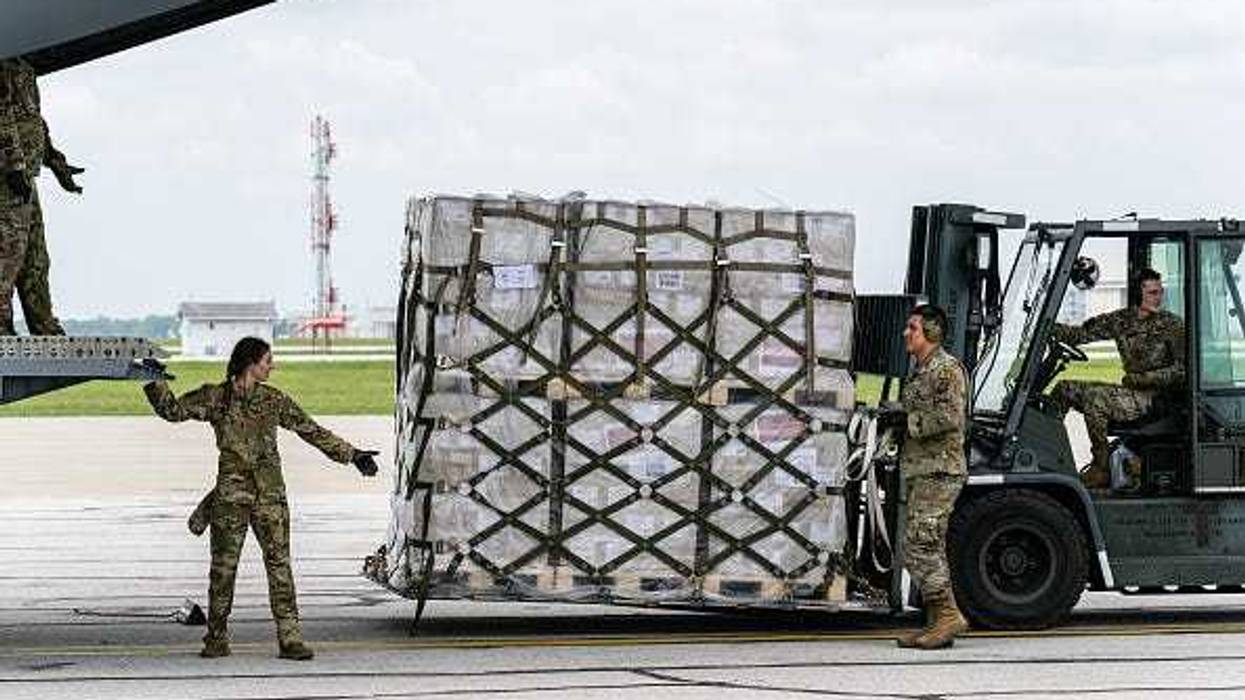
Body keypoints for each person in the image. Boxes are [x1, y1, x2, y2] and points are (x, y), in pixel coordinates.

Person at [144, 337, 380, 660]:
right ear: (251, 363)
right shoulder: (216, 397)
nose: (273, 366)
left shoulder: (273, 400)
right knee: (222, 572)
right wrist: (154, 379)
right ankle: (215, 638)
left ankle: (290, 639)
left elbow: (310, 430)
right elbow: (172, 411)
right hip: (230, 500)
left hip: (270, 498)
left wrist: (352, 455)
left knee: (280, 569)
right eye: (268, 360)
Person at [1049, 268, 1185, 489]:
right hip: (1130, 391)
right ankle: (1050, 453)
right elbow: (1080, 334)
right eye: (1152, 293)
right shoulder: (1121, 320)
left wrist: (1145, 378)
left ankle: (1101, 467)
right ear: (1137, 295)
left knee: (1096, 397)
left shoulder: (1172, 325)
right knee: (1065, 388)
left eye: (1160, 292)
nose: (1158, 298)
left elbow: (1182, 371)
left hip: (1152, 397)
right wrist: (1046, 327)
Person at [897, 303, 969, 650]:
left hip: (940, 470)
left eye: (912, 328)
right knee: (929, 545)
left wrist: (907, 421)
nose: (906, 334)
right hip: (923, 470)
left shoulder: (945, 370)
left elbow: (950, 417)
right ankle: (936, 623)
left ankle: (947, 616)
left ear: (932, 332)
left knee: (919, 545)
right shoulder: (921, 370)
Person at [0, 58, 83, 335]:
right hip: (8, 179)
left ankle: (43, 323)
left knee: (35, 258)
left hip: (25, 177)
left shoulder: (24, 66)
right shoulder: (6, 62)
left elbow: (33, 120)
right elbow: (1, 115)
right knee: (8, 255)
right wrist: (14, 166)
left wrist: (56, 162)